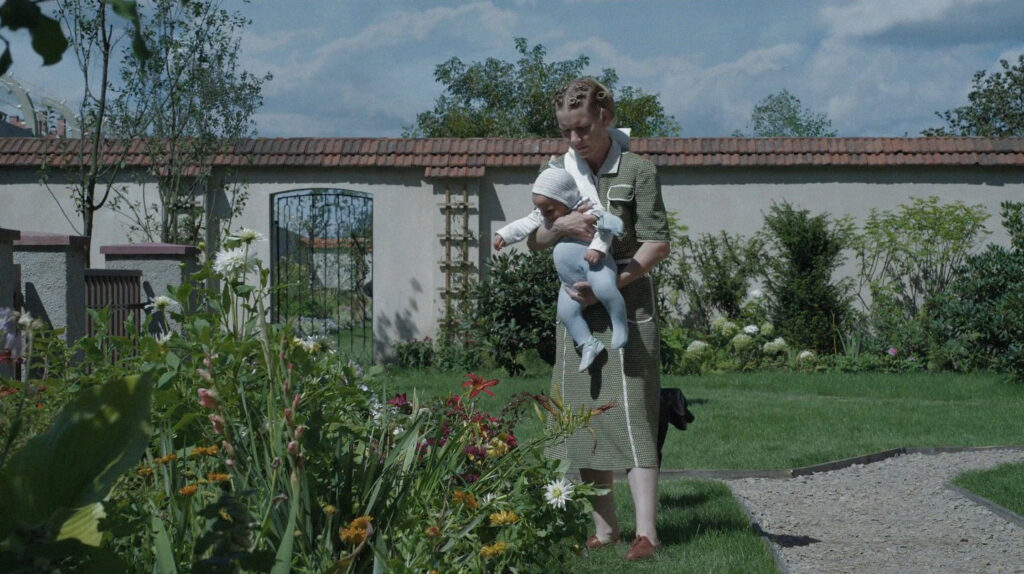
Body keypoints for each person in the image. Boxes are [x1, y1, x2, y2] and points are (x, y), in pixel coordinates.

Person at [528, 77, 671, 561]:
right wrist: (561, 226)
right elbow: (535, 238)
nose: (574, 140)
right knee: (586, 413)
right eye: (567, 131)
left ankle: (646, 533)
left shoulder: (637, 169)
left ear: (605, 117)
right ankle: (605, 530)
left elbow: (657, 242)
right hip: (577, 312)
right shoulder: (557, 171)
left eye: (583, 128)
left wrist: (612, 283)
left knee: (634, 414)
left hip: (628, 304)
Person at [493, 166, 628, 371]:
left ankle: (619, 323)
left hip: (595, 265)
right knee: (565, 313)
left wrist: (598, 248)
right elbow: (524, 224)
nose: (546, 215)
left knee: (604, 288)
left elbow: (609, 225)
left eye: (550, 210)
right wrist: (504, 235)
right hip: (569, 280)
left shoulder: (587, 208)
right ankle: (588, 344)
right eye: (542, 211)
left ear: (566, 199)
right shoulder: (547, 215)